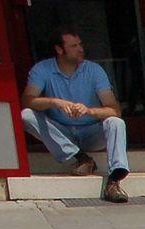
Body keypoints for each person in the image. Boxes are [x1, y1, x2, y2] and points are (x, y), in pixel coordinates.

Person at [21, 28, 129, 204]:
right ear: (59, 49)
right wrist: (55, 102)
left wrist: (89, 111)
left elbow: (114, 109)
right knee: (26, 115)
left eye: (80, 44)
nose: (80, 49)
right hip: (62, 131)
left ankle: (114, 181)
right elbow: (27, 100)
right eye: (73, 46)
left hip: (92, 132)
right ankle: (81, 158)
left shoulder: (94, 70)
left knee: (116, 122)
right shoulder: (42, 69)